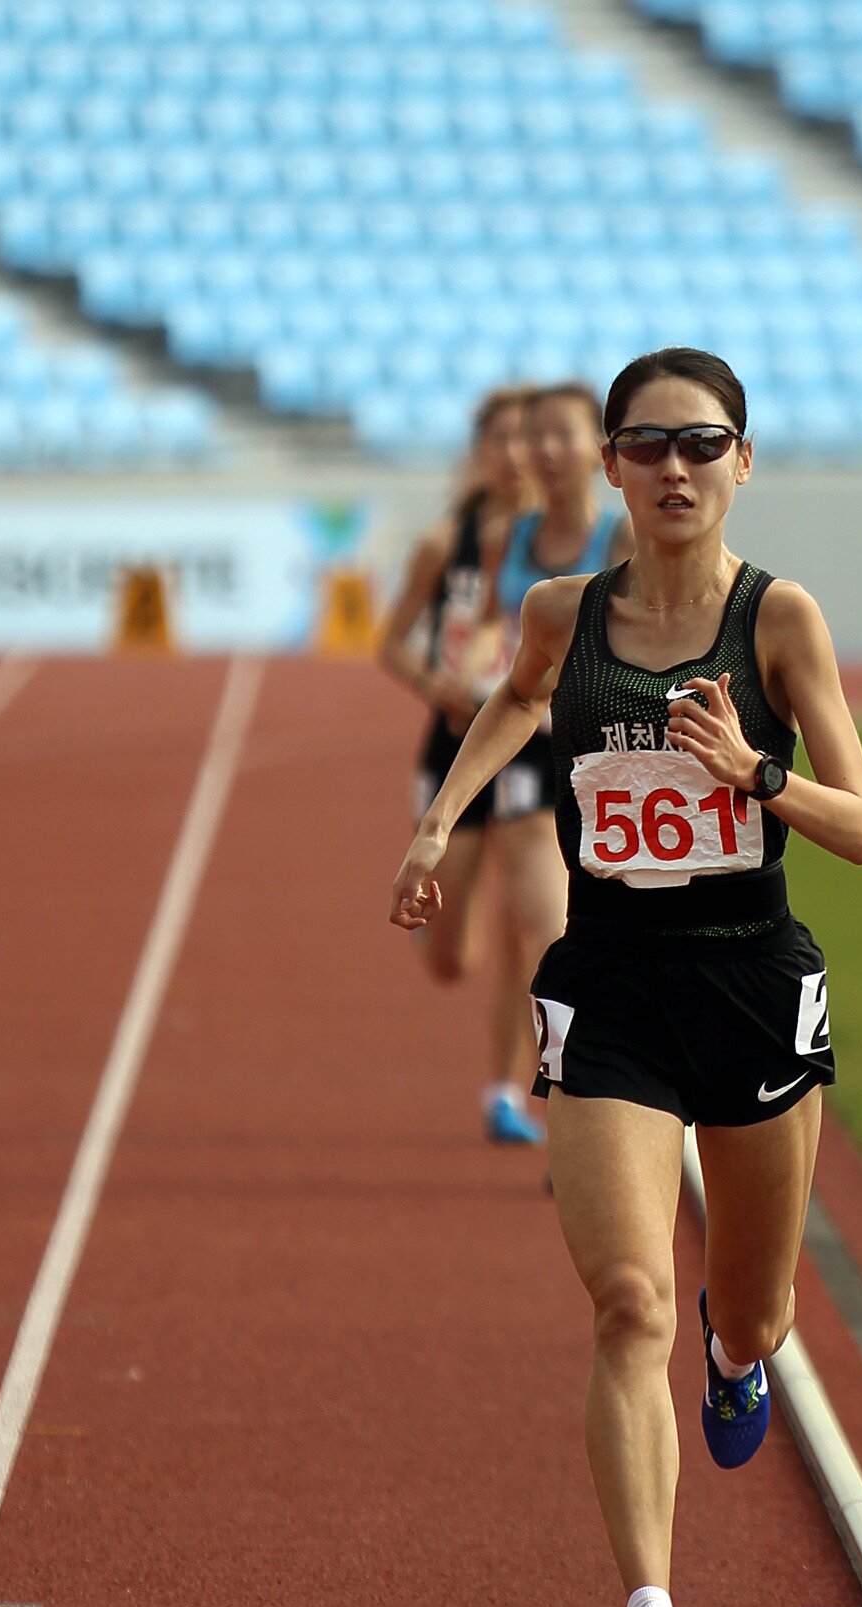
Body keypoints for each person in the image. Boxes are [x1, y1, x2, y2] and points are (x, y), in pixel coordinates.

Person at [389, 348, 862, 1607]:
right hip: (609, 985)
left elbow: (860, 825)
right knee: (626, 1299)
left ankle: (736, 1354)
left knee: (754, 1307)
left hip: (749, 983)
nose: (676, 467)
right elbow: (517, 695)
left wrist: (754, 772)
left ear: (743, 460)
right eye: (649, 444)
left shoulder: (780, 620)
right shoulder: (563, 611)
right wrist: (437, 822)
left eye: (702, 442)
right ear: (611, 464)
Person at [444, 382, 634, 1141]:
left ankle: (593, 1098)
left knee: (597, 938)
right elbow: (491, 626)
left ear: (602, 452)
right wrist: (475, 673)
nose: (544, 451)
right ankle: (564, 1102)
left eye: (563, 434)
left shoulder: (620, 538)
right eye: (535, 436)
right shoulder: (510, 537)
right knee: (550, 934)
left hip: (604, 759)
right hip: (527, 752)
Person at [376, 385, 551, 1144]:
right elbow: (389, 643)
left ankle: (507, 1093)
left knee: (532, 924)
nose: (515, 455)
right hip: (455, 743)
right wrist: (436, 683)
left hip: (535, 744)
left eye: (528, 439)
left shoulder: (569, 544)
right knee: (453, 960)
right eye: (500, 440)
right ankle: (442, 931)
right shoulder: (446, 544)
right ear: (479, 453)